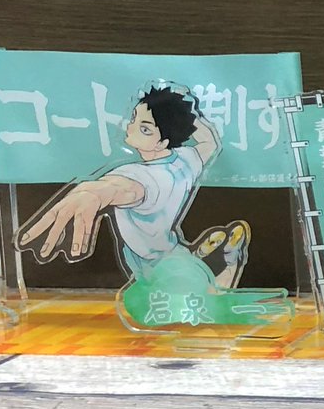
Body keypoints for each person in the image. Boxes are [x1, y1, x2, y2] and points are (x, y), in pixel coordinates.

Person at [18, 85, 289, 328]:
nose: (130, 128)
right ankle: (216, 257)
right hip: (165, 253)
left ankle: (227, 259)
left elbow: (125, 188)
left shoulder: (145, 177)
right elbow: (210, 142)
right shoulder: (185, 160)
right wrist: (188, 111)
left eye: (145, 128)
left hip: (164, 267)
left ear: (162, 141)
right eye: (134, 119)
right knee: (190, 300)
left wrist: (94, 193)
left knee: (206, 308)